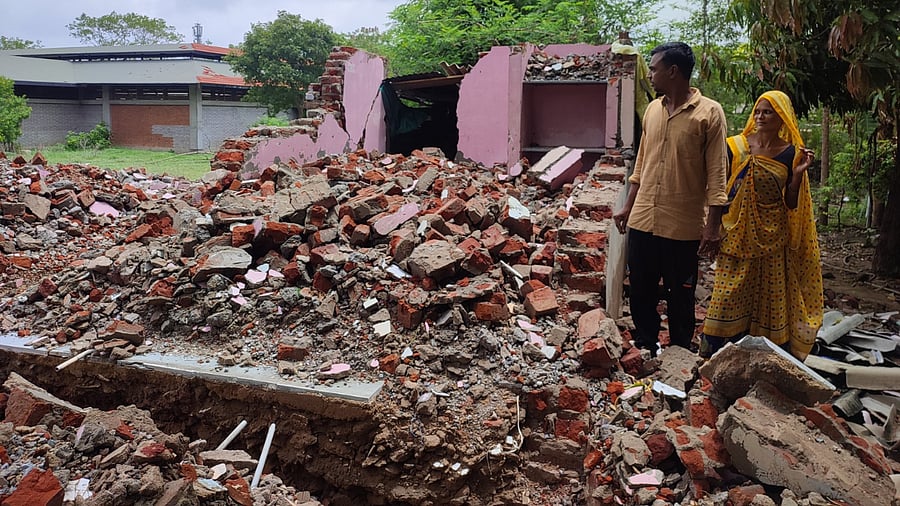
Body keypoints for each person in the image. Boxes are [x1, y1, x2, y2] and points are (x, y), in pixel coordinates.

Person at [613, 42, 729, 355]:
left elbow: (718, 175)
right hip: (643, 219)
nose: (649, 75)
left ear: (673, 71)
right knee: (641, 289)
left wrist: (713, 226)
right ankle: (646, 345)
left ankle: (679, 352)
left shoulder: (709, 113)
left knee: (681, 293)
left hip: (683, 224)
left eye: (653, 68)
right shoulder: (652, 109)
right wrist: (627, 206)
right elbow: (641, 164)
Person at [700, 90, 823, 360]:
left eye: (767, 112)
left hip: (772, 236)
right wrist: (711, 228)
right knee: (728, 292)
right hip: (735, 232)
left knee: (768, 295)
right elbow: (720, 189)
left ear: (782, 118)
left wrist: (799, 175)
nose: (760, 116)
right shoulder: (736, 147)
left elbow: (791, 203)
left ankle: (761, 356)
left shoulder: (791, 154)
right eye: (757, 111)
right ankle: (717, 352)